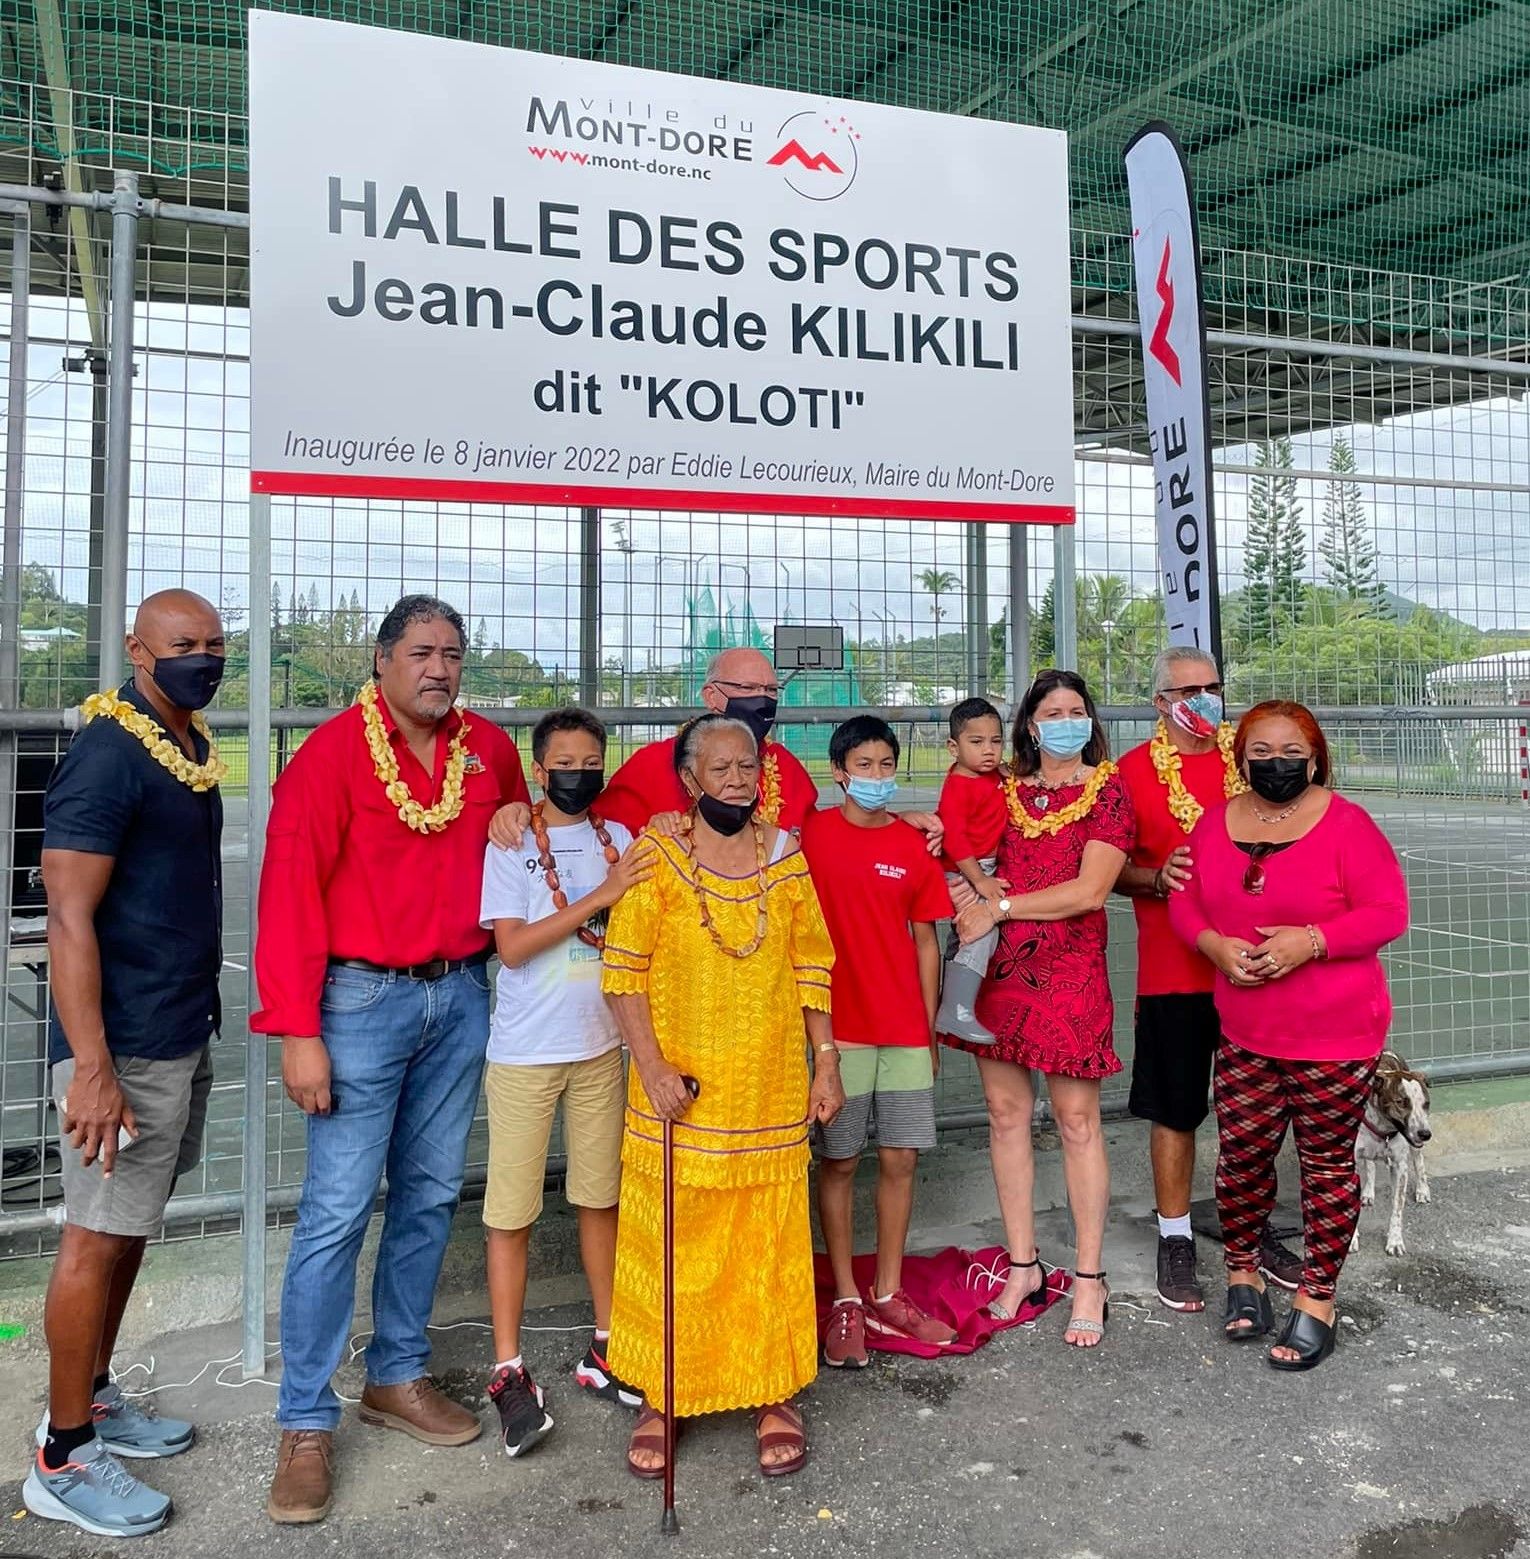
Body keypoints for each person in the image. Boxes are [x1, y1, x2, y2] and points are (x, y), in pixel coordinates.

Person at [253, 594, 531, 1524]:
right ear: (381, 662)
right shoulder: (332, 755)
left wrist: (516, 822)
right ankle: (303, 1421)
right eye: (421, 652)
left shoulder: (487, 751)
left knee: (428, 1192)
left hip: (460, 995)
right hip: (357, 1003)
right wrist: (299, 1028)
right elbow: (289, 893)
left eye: (453, 653)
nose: (440, 669)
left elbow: (523, 841)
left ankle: (397, 1373)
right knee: (335, 1210)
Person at [24, 591, 226, 1540]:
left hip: (179, 1029)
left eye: (217, 641)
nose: (205, 656)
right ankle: (61, 1453)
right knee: (93, 1236)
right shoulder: (109, 751)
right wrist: (93, 1065)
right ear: (138, 649)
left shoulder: (184, 742)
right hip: (122, 1046)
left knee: (132, 1227)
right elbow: (69, 916)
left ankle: (95, 1395)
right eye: (185, 644)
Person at [602, 714, 844, 1480]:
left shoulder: (785, 856)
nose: (737, 778)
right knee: (673, 1242)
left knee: (767, 1244)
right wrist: (652, 1067)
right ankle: (663, 1395)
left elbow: (812, 964)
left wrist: (826, 1061)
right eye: (722, 766)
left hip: (770, 1089)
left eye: (749, 765)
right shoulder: (658, 852)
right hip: (680, 1094)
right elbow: (623, 970)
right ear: (690, 779)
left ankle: (774, 1391)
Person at [1169, 701, 1408, 1370]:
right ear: (1241, 758)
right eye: (1263, 750)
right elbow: (1185, 898)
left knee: (1327, 1166)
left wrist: (1314, 940)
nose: (1278, 762)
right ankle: (1242, 1275)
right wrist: (1212, 942)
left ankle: (1318, 1298)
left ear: (1315, 755)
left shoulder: (1348, 826)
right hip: (1246, 1030)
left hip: (1335, 1034)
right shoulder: (1213, 825)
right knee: (1242, 1157)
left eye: (1291, 749)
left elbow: (1389, 911)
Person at [478, 707, 655, 1458]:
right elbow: (512, 947)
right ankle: (508, 1366)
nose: (580, 772)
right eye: (565, 762)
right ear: (539, 767)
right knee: (511, 1211)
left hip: (599, 1048)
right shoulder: (512, 840)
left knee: (599, 1197)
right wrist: (600, 897)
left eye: (592, 760)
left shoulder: (620, 840)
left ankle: (607, 1344)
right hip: (525, 1053)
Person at [949, 670, 1135, 1347]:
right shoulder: (1003, 790)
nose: (1064, 720)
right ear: (1029, 723)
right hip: (998, 974)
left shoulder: (1109, 790)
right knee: (1005, 1116)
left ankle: (1089, 1275)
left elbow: (1089, 891)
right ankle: (1023, 1264)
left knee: (1078, 1120)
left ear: (1089, 720)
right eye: (1050, 710)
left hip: (1070, 976)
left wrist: (998, 905)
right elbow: (955, 837)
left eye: (1075, 710)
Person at [1113, 647, 1302, 1311]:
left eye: (1212, 685)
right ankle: (1174, 1237)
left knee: (1258, 1107)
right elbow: (1107, 869)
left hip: (1258, 965)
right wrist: (1155, 877)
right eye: (1188, 688)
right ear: (1160, 701)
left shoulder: (1250, 758)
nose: (1204, 696)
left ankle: (1251, 1229)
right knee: (1176, 1108)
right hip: (1174, 972)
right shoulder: (1129, 773)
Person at [803, 716, 956, 1365]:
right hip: (837, 1032)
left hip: (901, 1032)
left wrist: (927, 1028)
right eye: (862, 764)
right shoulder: (808, 838)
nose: (875, 775)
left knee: (900, 1159)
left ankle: (887, 1291)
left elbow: (928, 941)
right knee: (838, 1160)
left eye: (885, 764)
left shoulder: (914, 844)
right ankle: (844, 1297)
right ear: (838, 772)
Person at [599, 648, 819, 834]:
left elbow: (810, 844)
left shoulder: (784, 764)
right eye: (747, 688)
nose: (762, 698)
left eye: (771, 690)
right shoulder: (650, 764)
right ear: (711, 696)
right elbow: (608, 839)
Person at [933, 696, 1008, 1045]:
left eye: (996, 741)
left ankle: (954, 997)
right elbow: (955, 840)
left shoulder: (993, 775)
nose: (988, 750)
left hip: (985, 867)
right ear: (953, 746)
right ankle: (955, 1008)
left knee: (975, 935)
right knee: (980, 931)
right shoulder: (958, 787)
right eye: (976, 742)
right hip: (966, 872)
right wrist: (979, 879)